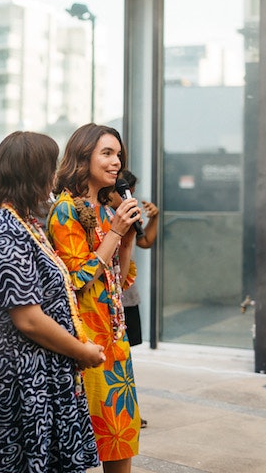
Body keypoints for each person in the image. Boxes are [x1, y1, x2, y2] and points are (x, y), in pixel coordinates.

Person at [0, 131, 104, 472]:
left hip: (38, 374)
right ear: (32, 174)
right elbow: (27, 319)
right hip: (19, 381)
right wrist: (81, 351)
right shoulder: (3, 229)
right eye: (50, 167)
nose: (55, 176)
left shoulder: (24, 221)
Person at [47, 123, 142, 473]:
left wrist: (127, 238)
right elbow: (76, 280)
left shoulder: (107, 208)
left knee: (121, 438)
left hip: (117, 341)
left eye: (118, 154)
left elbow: (122, 278)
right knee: (85, 446)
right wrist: (115, 232)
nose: (116, 161)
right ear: (82, 157)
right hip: (85, 344)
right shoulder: (66, 210)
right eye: (107, 153)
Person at [107, 169, 159, 430]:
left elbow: (146, 241)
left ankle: (128, 410)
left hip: (127, 296)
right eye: (126, 193)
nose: (131, 198)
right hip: (109, 298)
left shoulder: (128, 217)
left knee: (125, 355)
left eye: (133, 193)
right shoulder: (103, 217)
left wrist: (155, 217)